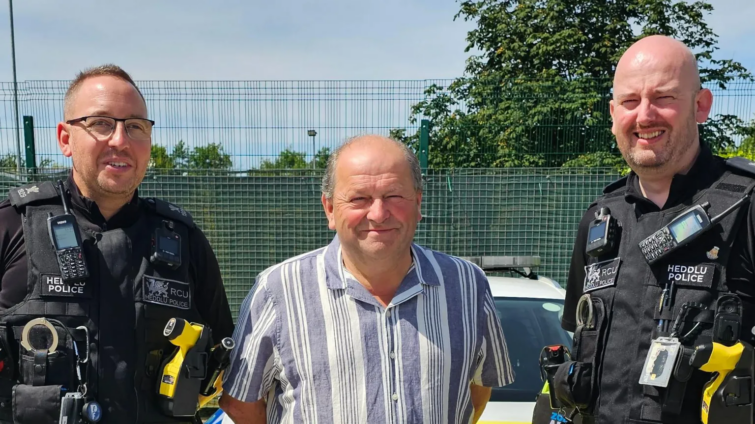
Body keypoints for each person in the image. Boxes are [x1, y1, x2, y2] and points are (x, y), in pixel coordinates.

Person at [219, 135, 513, 424]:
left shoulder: (467, 285)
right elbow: (239, 403)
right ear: (330, 209)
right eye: (359, 198)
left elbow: (477, 390)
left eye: (394, 196)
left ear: (418, 201)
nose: (378, 214)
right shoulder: (278, 290)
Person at [0, 65, 234, 424]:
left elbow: (225, 358)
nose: (121, 140)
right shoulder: (12, 225)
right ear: (65, 139)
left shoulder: (184, 240)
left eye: (136, 126)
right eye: (101, 123)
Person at [559, 35, 755, 423]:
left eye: (664, 97)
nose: (645, 116)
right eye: (630, 101)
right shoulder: (600, 219)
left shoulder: (746, 206)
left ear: (701, 105)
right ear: (613, 113)